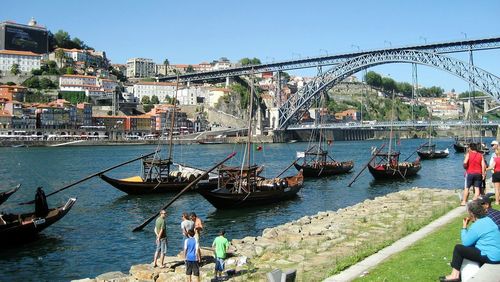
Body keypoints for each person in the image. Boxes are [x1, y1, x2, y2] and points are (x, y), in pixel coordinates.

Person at [439, 200, 500, 282]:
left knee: (458, 249)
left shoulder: (477, 225)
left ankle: (454, 275)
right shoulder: (489, 220)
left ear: (471, 213)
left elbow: (466, 243)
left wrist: (464, 227)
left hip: (491, 258)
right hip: (496, 254)